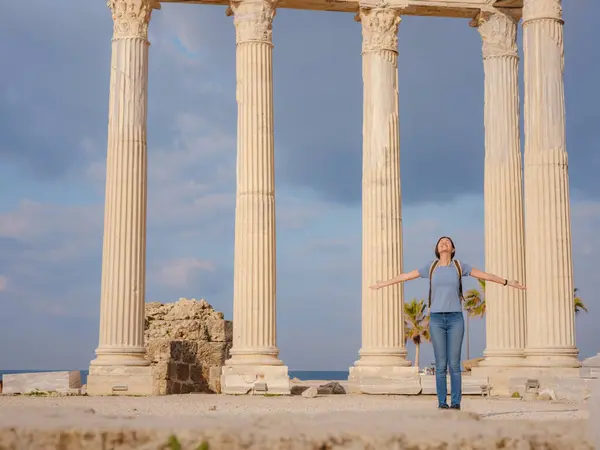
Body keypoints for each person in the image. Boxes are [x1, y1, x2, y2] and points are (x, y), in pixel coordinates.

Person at [369, 236, 526, 410]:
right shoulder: (431, 267)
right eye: (440, 242)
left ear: (452, 249)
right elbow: (405, 276)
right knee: (441, 364)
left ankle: (456, 403)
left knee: (454, 364)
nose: (444, 243)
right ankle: (442, 403)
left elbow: (486, 275)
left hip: (455, 319)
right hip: (436, 318)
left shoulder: (460, 266)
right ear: (437, 249)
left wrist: (508, 282)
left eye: (447, 242)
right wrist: (383, 284)